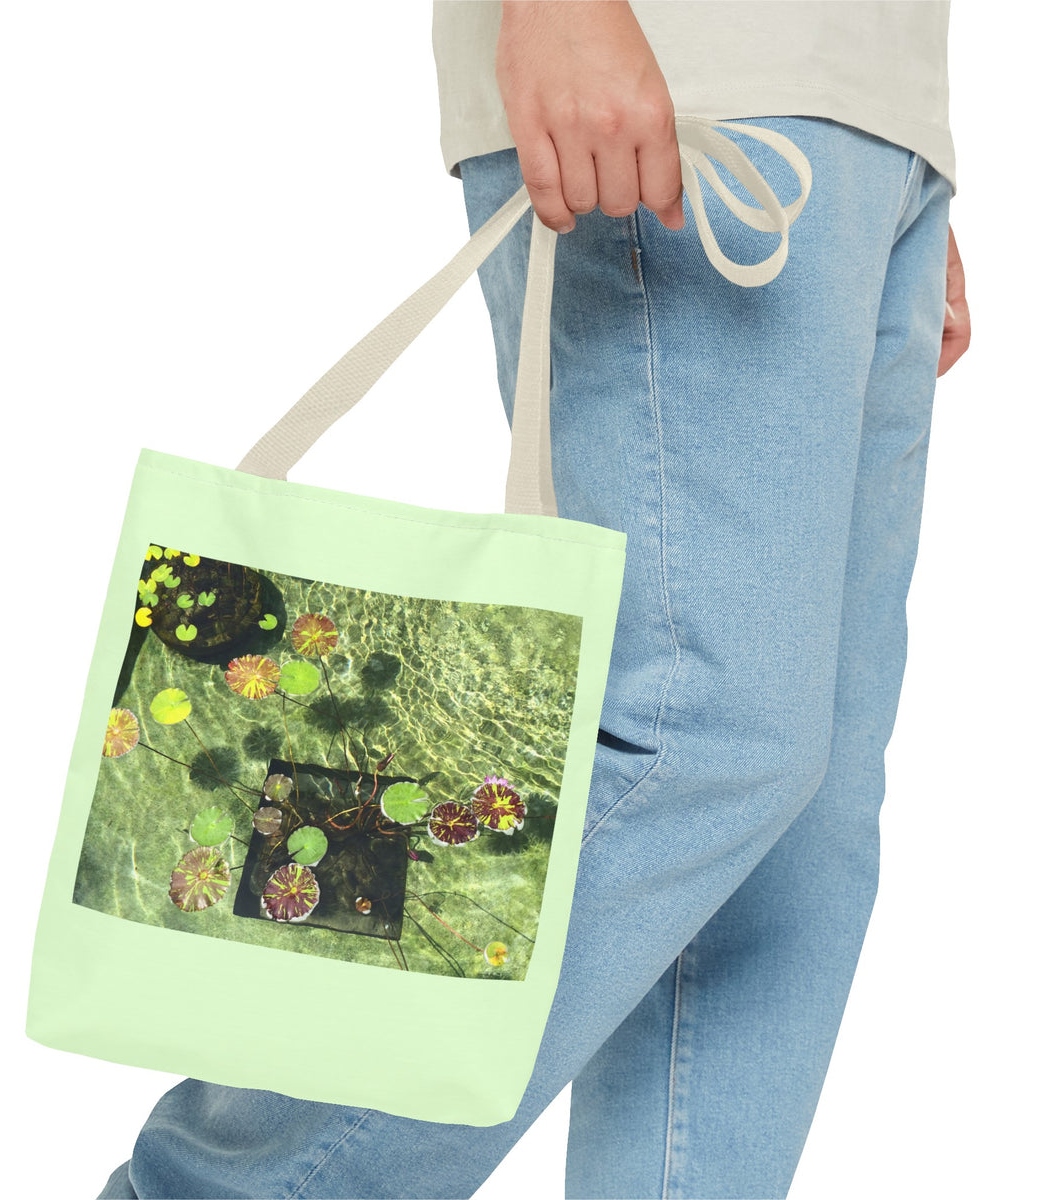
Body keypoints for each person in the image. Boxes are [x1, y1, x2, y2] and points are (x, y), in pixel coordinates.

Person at [97, 3, 970, 1196]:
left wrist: (898, 146)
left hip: (862, 115)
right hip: (689, 69)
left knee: (794, 843)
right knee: (692, 741)